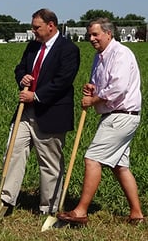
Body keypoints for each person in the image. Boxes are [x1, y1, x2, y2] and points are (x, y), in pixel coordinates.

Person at [57, 18, 144, 226]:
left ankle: (81, 211)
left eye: (96, 34)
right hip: (115, 115)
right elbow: (102, 85)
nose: (92, 38)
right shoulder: (100, 57)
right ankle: (137, 214)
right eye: (90, 35)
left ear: (108, 34)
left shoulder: (120, 54)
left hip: (121, 115)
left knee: (92, 158)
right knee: (120, 166)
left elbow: (118, 88)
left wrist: (94, 99)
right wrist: (92, 89)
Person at [0, 8, 80, 215]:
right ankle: (6, 199)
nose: (33, 31)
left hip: (51, 113)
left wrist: (36, 96)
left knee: (49, 161)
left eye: (37, 27)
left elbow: (63, 81)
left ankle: (49, 207)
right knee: (13, 152)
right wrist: (22, 77)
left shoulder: (68, 49)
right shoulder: (33, 46)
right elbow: (20, 68)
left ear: (51, 26)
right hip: (25, 112)